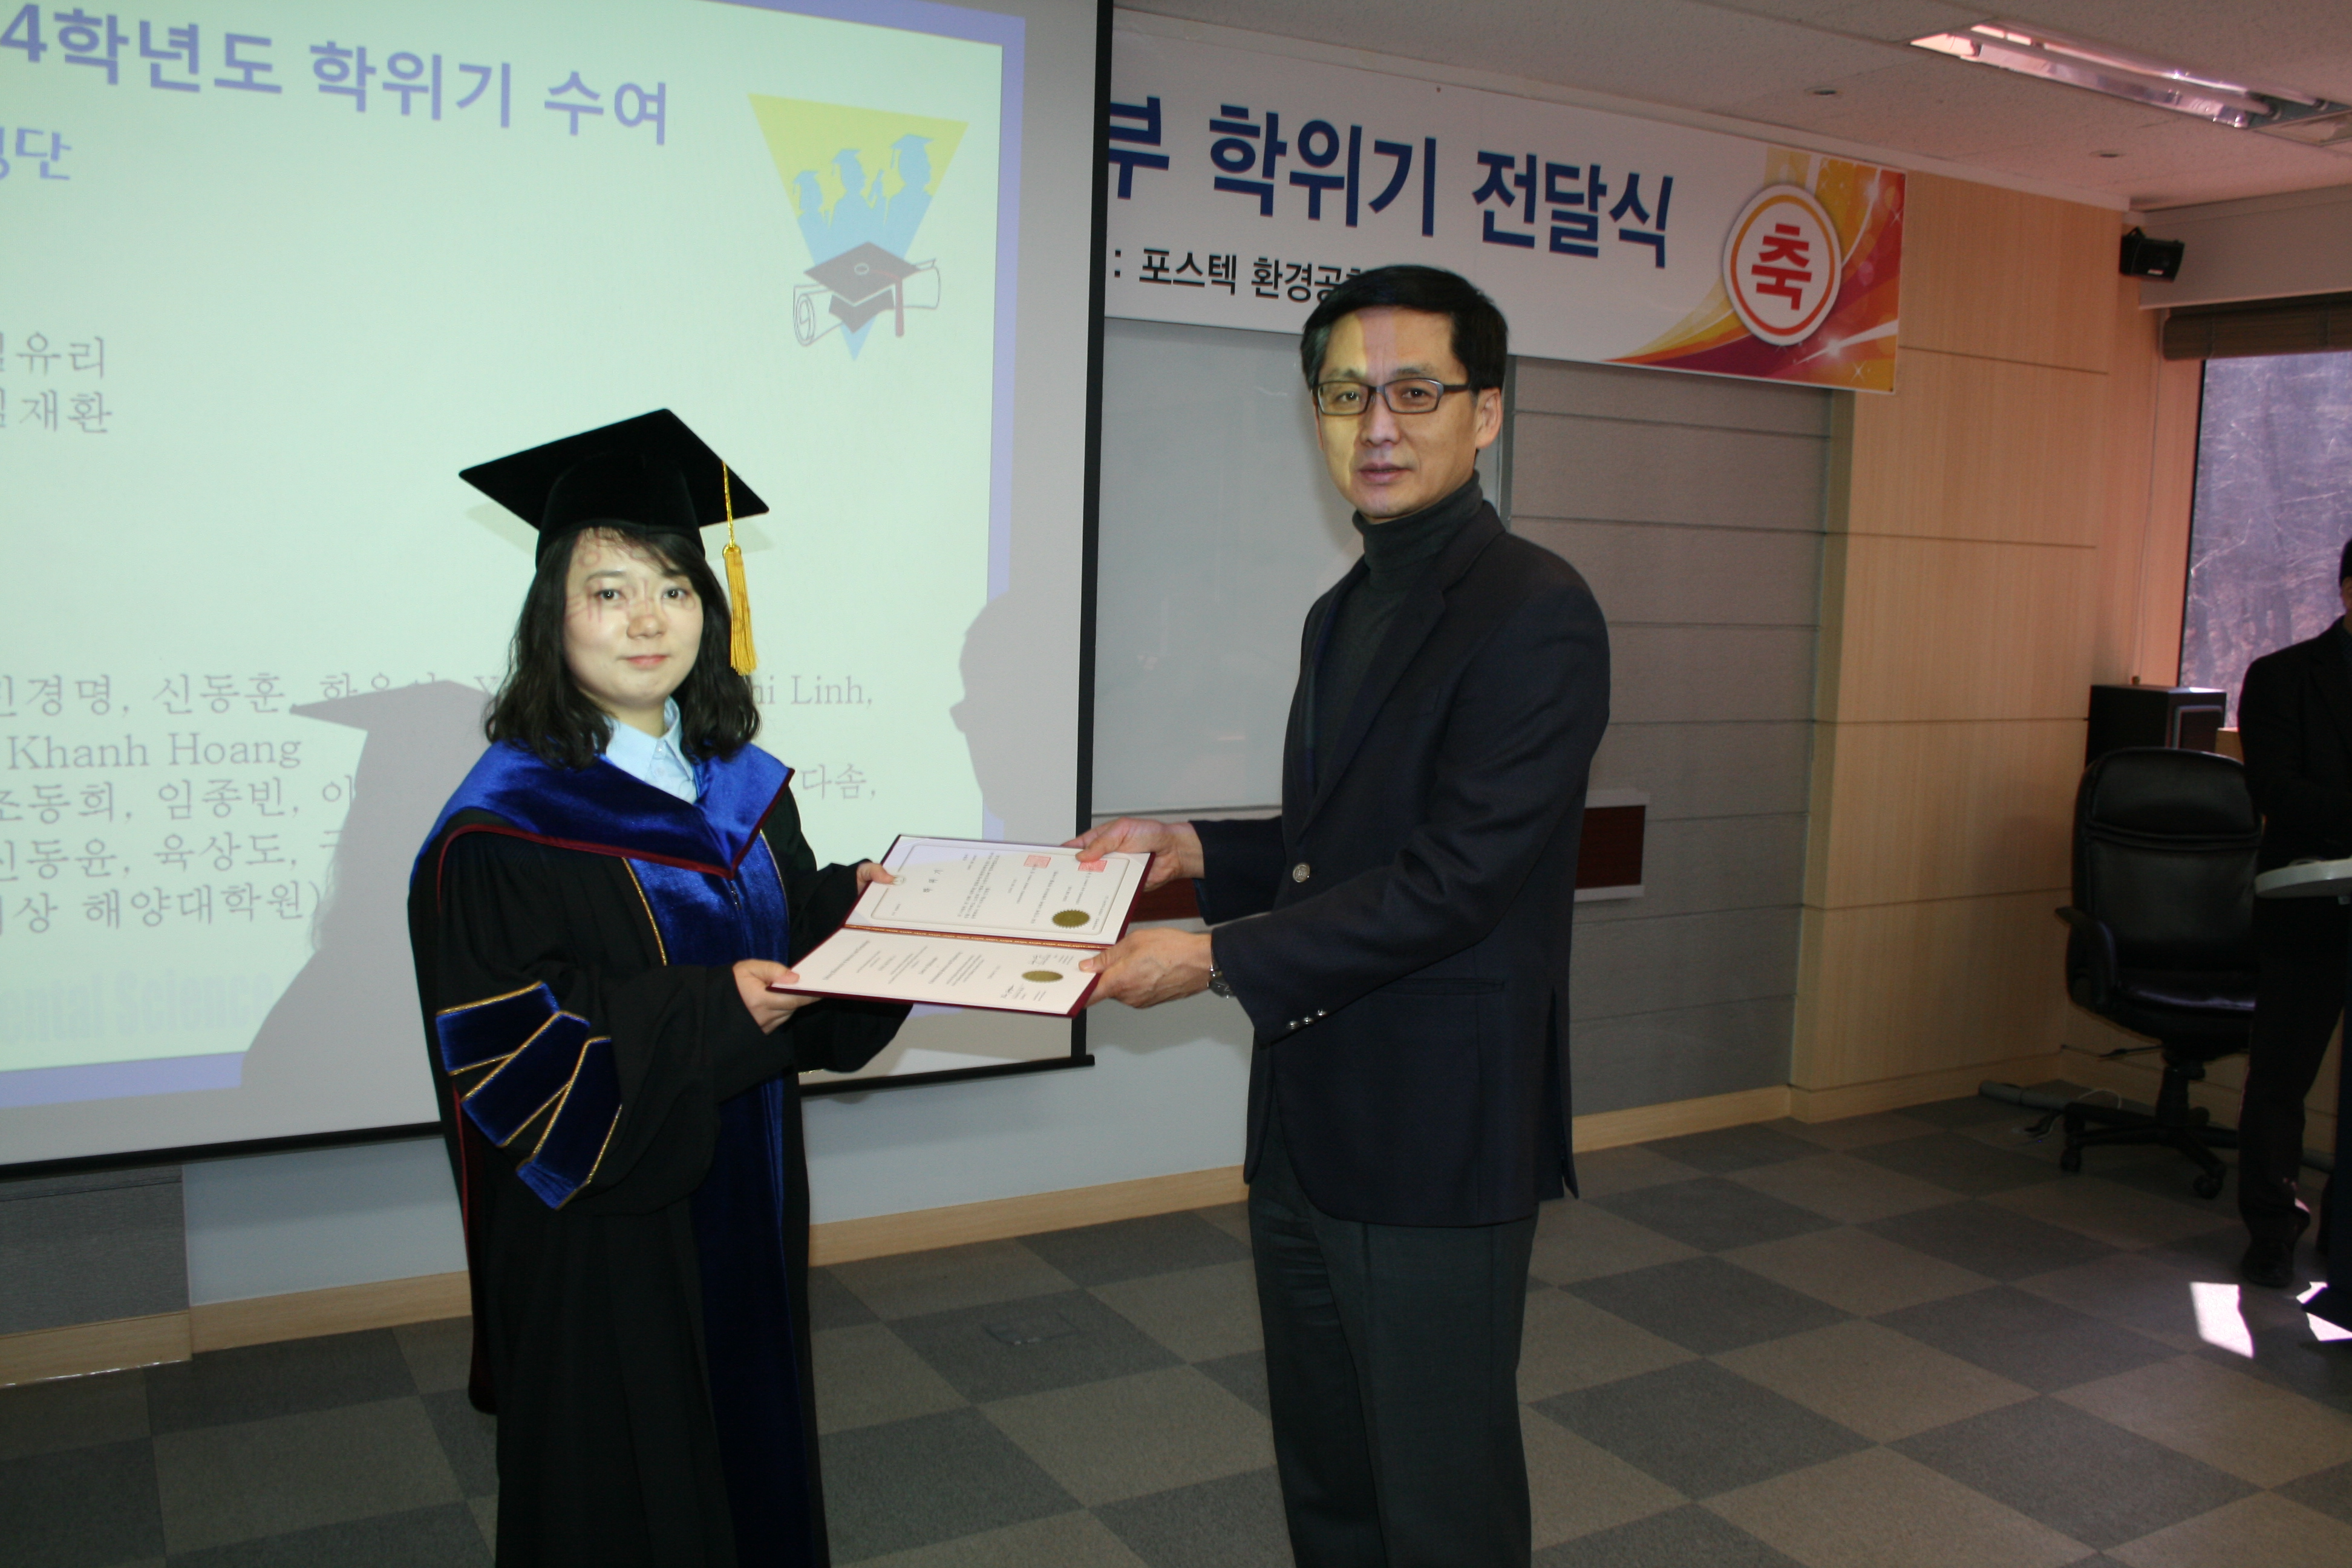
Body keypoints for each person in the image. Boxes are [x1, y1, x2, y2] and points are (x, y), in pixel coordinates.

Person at [1074, 266, 1610, 1568]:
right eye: (1343, 395)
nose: (1376, 426)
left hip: (1433, 1128)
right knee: (1329, 1476)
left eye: (1415, 393)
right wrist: (1196, 848)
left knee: (1437, 1497)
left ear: (1486, 413)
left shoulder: (1536, 609)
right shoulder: (1345, 606)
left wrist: (1212, 957)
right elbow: (1341, 849)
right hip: (1309, 1119)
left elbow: (1453, 878)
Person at [407, 410, 906, 1567]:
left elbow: (777, 929)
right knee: (632, 1484)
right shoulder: (501, 826)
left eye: (674, 588)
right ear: (552, 614)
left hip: (749, 1179)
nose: (648, 619)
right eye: (609, 591)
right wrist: (716, 1012)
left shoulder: (742, 783)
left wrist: (862, 910)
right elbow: (514, 1057)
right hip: (608, 1227)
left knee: (748, 1444)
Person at [2233, 538, 2352, 1290]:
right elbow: (2275, 788)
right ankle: (2273, 1230)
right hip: (2309, 908)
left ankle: (2345, 1234)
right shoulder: (2284, 676)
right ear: (2349, 590)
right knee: (2282, 1079)